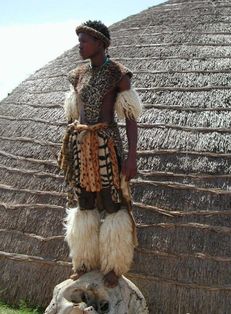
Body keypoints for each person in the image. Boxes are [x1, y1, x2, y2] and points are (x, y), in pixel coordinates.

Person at [58, 20, 142, 288]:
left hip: (107, 146)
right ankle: (83, 263)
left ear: (101, 43)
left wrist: (131, 157)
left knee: (112, 204)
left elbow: (130, 117)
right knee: (84, 203)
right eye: (79, 40)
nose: (79, 45)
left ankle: (113, 267)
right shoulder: (77, 74)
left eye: (84, 40)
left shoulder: (118, 74)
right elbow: (73, 114)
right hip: (82, 148)